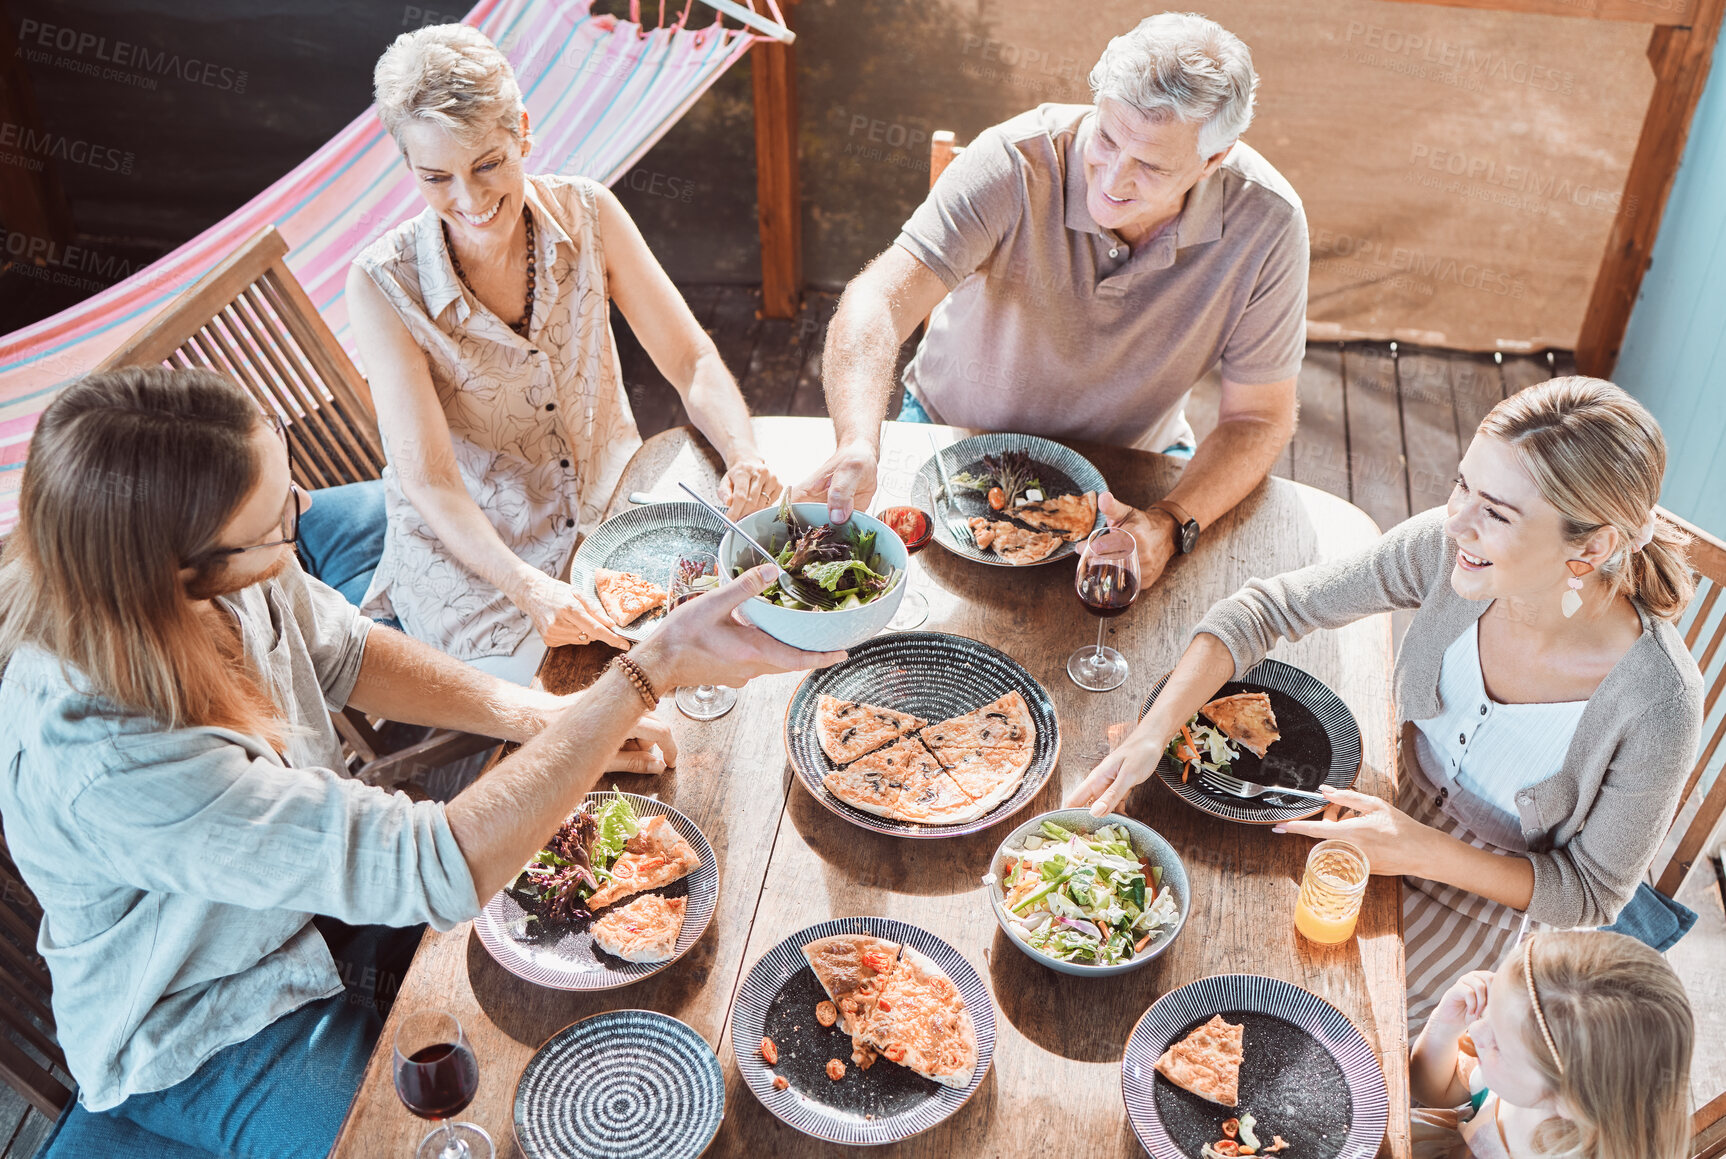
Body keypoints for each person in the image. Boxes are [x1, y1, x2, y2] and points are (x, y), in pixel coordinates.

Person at [2, 367, 842, 1159]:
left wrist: (537, 715)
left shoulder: (213, 573)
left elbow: (343, 650)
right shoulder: (106, 758)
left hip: (330, 911)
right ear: (171, 575)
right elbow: (432, 867)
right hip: (211, 1024)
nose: (295, 534)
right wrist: (642, 672)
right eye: (272, 532)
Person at [1070, 377, 1703, 1026]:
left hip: (1492, 909)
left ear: (1590, 547)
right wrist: (1154, 730)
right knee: (1181, 946)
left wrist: (1417, 847)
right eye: (1463, 485)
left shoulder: (1660, 703)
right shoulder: (1449, 549)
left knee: (1298, 1029)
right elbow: (1264, 609)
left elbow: (1590, 893)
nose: (1457, 520)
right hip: (1370, 816)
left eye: (1498, 512)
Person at [324, 23, 780, 685]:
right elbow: (429, 481)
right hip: (476, 564)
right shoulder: (379, 284)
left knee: (735, 631)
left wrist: (744, 453)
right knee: (588, 706)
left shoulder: (591, 212)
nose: (470, 200)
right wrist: (530, 588)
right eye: (436, 177)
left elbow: (691, 360)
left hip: (613, 517)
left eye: (487, 163)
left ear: (523, 133)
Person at [797, 12, 1306, 585]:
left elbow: (1259, 418)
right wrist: (858, 439)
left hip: (1130, 469)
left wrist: (1169, 522)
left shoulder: (1269, 223)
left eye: (1151, 166)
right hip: (954, 441)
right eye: (1107, 138)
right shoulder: (1012, 160)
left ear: (1215, 159)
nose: (1112, 181)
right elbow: (877, 299)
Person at [1408, 931, 1693, 1159]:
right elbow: (1434, 1091)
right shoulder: (1526, 1077)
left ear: (1571, 1101)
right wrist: (1443, 1026)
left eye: (1500, 1046)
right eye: (1489, 1015)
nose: (1476, 1031)